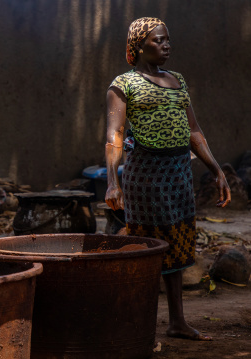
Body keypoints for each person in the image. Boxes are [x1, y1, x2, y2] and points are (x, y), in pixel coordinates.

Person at [105, 17, 231, 341]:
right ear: (138, 46)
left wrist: (217, 169)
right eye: (158, 40)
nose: (166, 46)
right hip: (146, 177)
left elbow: (194, 131)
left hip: (178, 175)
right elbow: (115, 135)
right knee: (149, 248)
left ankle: (177, 322)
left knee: (177, 244)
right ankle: (136, 322)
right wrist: (112, 182)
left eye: (167, 40)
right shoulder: (124, 84)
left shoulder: (178, 81)